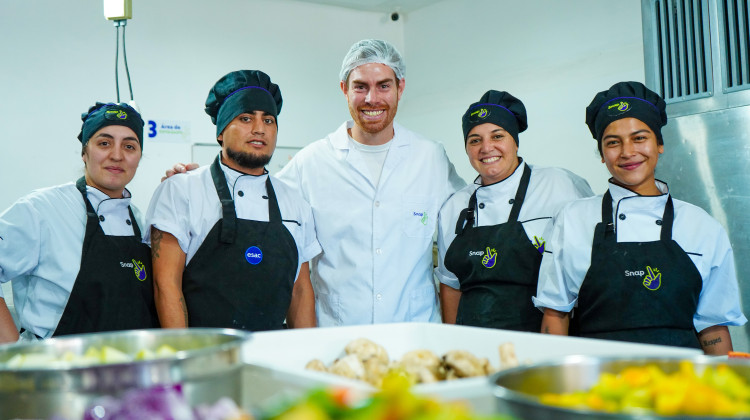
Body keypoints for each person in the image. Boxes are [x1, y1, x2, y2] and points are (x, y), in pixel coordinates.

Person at [534, 81, 747, 354]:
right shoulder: (573, 219)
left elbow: (713, 327)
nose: (627, 152)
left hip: (680, 384)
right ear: (602, 154)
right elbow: (555, 315)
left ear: (659, 144)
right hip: (596, 384)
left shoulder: (700, 225)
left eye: (640, 138)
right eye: (613, 142)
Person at [276, 39, 466, 326]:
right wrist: (193, 178)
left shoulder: (430, 157)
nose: (371, 99)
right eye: (360, 86)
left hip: (414, 333)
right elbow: (256, 199)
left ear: (400, 88)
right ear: (344, 89)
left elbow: (476, 206)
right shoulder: (312, 162)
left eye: (383, 86)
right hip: (338, 333)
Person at [144, 70, 320, 331]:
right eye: (246, 118)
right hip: (204, 356)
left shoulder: (294, 200)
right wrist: (185, 360)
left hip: (273, 357)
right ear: (220, 132)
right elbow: (166, 286)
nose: (259, 129)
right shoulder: (182, 189)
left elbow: (301, 291)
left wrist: (307, 358)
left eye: (269, 120)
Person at [0, 102, 159, 342]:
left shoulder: (138, 219)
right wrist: (14, 353)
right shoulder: (42, 209)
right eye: (104, 143)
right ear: (85, 153)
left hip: (127, 371)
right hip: (55, 373)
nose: (117, 155)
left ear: (138, 157)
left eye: (129, 146)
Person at [435, 90, 593, 331]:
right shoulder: (455, 206)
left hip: (540, 337)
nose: (486, 148)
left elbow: (587, 269)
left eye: (497, 136)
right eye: (475, 140)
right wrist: (452, 342)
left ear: (515, 141)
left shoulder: (559, 184)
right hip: (473, 345)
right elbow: (451, 285)